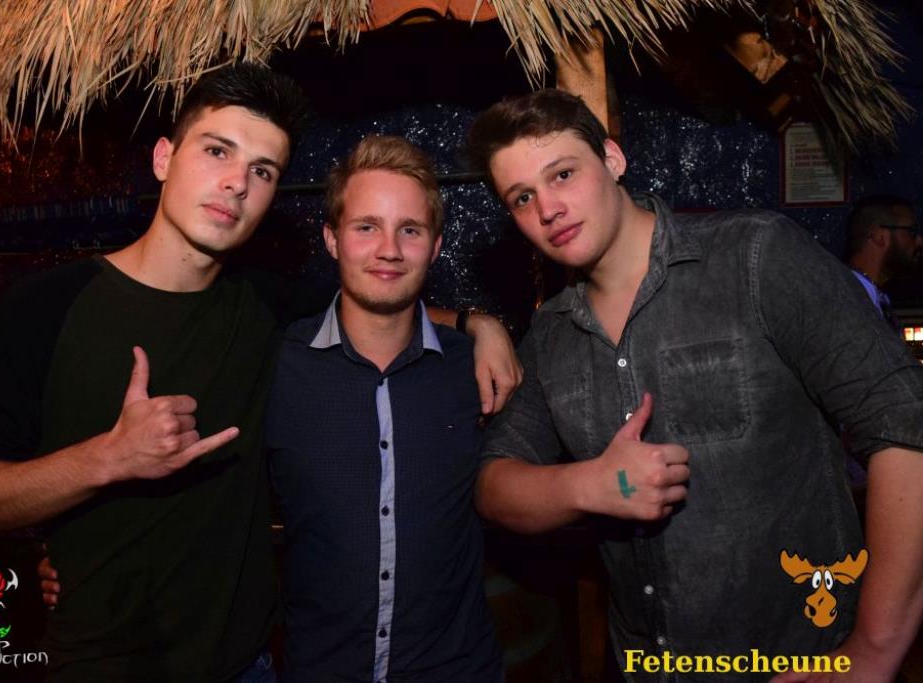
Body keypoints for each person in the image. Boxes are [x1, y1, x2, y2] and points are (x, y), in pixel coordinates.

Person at [0, 64, 520, 682]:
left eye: (262, 171)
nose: (237, 182)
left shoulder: (267, 308)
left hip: (247, 667)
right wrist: (107, 459)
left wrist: (477, 324)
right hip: (98, 666)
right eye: (217, 150)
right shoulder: (46, 306)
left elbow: (376, 301)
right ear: (163, 158)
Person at [464, 89, 923, 681]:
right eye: (523, 197)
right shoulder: (552, 334)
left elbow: (903, 423)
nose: (548, 208)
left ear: (612, 159)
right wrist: (592, 484)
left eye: (563, 174)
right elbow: (493, 485)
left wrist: (874, 651)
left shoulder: (754, 256)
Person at [266, 136, 503, 682]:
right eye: (367, 227)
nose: (389, 249)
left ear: (436, 246)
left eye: (410, 230)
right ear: (332, 239)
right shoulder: (277, 366)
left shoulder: (474, 370)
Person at [844, 194, 922, 330]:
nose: (920, 241)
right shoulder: (845, 300)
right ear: (880, 237)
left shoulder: (875, 298)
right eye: (912, 232)